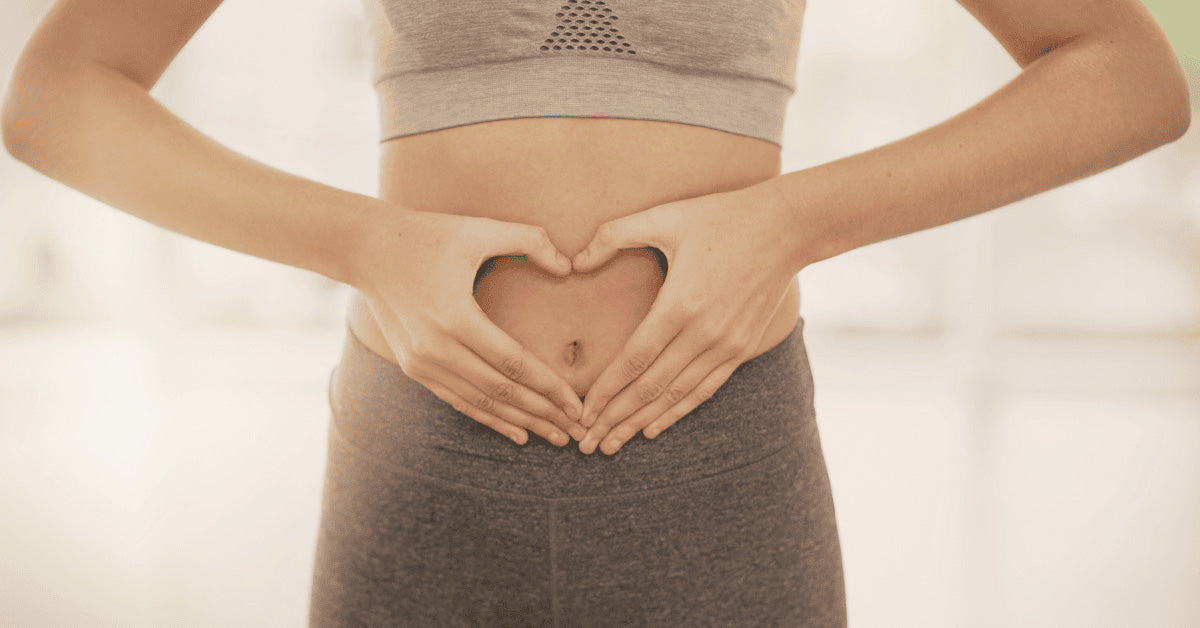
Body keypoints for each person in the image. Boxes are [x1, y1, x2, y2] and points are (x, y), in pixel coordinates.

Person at [1, 0, 1189, 625]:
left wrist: (789, 223)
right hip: (424, 466)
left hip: (723, 473)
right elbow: (60, 92)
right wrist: (365, 243)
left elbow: (1123, 75)